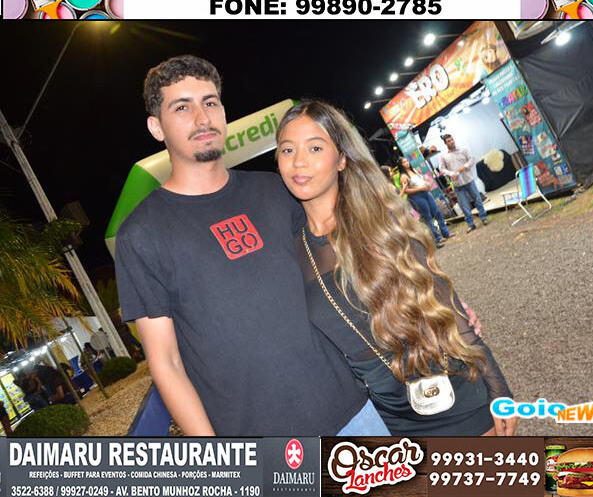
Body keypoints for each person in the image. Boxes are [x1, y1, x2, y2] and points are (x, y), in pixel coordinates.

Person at [115, 55, 387, 436]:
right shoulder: (140, 234)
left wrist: (437, 309)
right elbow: (167, 364)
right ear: (156, 127)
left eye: (210, 102)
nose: (202, 118)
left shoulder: (276, 191)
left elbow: (349, 264)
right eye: (182, 107)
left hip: (355, 413)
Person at [276, 100, 515, 436]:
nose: (298, 161)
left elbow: (448, 308)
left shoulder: (380, 222)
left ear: (342, 158)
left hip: (449, 393)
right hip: (384, 417)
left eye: (315, 148)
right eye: (287, 150)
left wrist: (499, 390)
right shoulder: (290, 249)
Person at [398, 157, 454, 247]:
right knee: (427, 217)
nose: (407, 163)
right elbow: (406, 191)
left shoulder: (414, 170)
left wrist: (427, 183)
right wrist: (420, 188)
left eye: (407, 161)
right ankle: (437, 237)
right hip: (416, 197)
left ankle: (446, 232)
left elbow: (421, 180)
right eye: (404, 162)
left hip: (425, 193)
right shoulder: (403, 176)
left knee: (437, 211)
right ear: (401, 165)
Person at [439, 134, 489, 233]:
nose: (451, 142)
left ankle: (484, 218)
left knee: (477, 199)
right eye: (449, 141)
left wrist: (465, 166)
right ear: (445, 143)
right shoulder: (443, 155)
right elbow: (442, 169)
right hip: (457, 184)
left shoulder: (463, 149)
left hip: (468, 180)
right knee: (464, 205)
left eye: (452, 139)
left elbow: (472, 159)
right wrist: (451, 173)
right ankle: (471, 224)